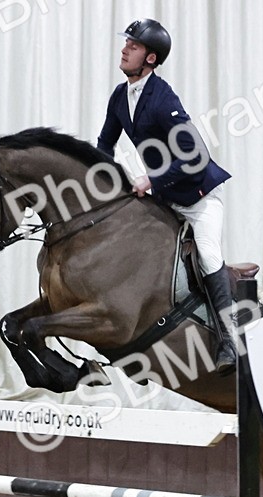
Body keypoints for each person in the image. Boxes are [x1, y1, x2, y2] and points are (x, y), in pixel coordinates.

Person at [97, 19, 238, 373]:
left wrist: (150, 181)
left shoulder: (162, 98)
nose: (125, 49)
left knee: (207, 254)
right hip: (164, 196)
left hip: (199, 195)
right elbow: (105, 144)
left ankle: (229, 341)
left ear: (151, 59)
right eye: (126, 43)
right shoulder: (120, 96)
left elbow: (195, 157)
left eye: (133, 46)